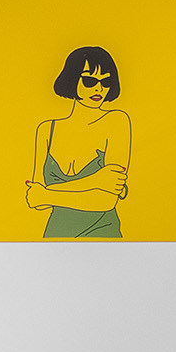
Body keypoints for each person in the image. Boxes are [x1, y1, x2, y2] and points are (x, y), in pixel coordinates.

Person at [27, 45, 130, 238]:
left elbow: (106, 201)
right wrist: (97, 180)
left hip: (102, 236)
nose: (99, 88)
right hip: (56, 236)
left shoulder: (116, 121)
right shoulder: (47, 130)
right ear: (72, 78)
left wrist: (47, 194)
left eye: (105, 81)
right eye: (90, 80)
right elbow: (35, 200)